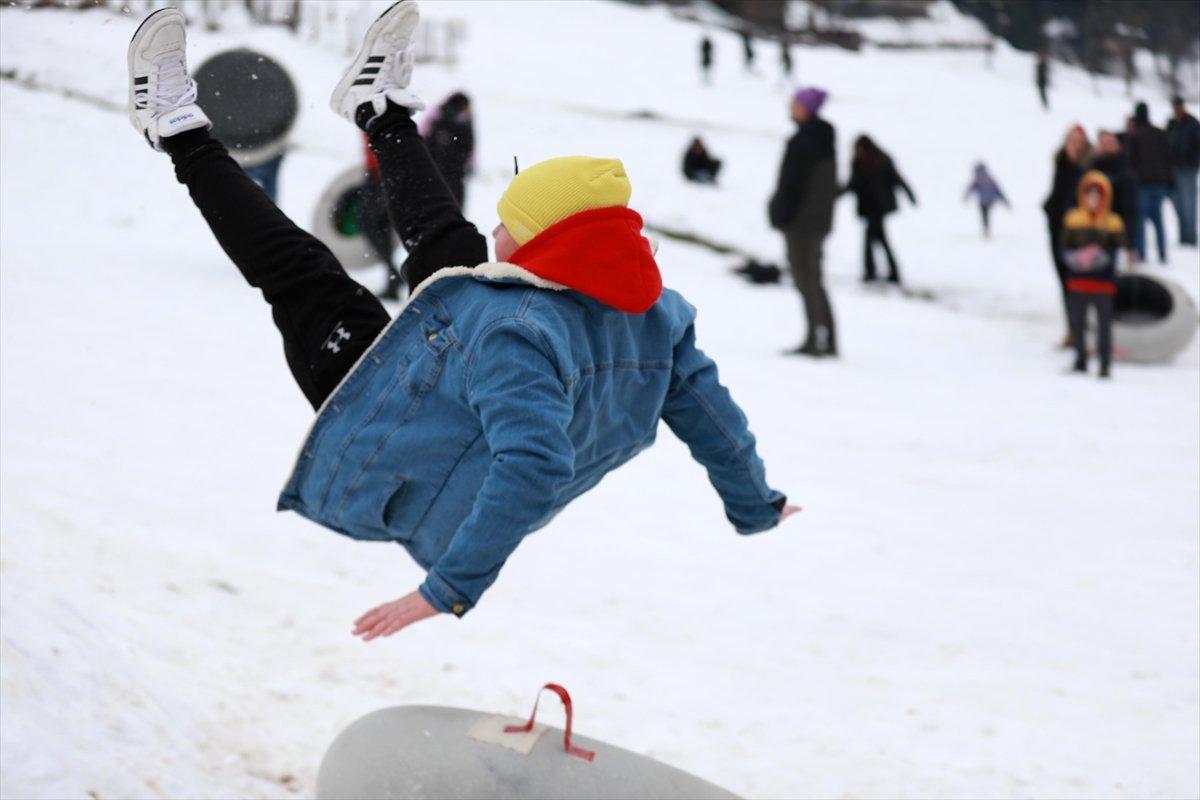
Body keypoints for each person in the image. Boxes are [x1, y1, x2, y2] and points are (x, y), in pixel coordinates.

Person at [126, 2, 798, 639]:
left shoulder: (516, 337)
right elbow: (714, 418)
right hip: (450, 391)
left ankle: (176, 127)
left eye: (515, 224)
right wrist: (754, 503)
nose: (500, 227)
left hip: (398, 445)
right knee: (453, 248)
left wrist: (443, 589)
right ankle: (377, 107)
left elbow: (534, 462)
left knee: (298, 268)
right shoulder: (654, 315)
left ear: (549, 247)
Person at [769, 87, 838, 357]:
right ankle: (825, 338)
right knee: (812, 280)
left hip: (803, 225)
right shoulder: (821, 139)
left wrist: (782, 213)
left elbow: (793, 187)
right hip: (813, 223)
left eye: (796, 103)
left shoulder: (806, 142)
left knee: (807, 280)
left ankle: (816, 340)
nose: (791, 107)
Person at [1060, 171, 1125, 379]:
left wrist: (1103, 259)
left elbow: (1118, 248)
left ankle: (1105, 363)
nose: (1094, 200)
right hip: (1078, 281)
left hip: (1103, 283)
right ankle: (1081, 359)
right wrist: (1073, 259)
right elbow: (1063, 246)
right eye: (1090, 195)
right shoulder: (1073, 219)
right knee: (1078, 322)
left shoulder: (1113, 221)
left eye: (1098, 196)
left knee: (1104, 326)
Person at [1042, 125, 1093, 346]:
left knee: (1081, 283)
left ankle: (1085, 331)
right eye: (1070, 139)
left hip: (1080, 233)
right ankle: (1073, 330)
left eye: (1078, 140)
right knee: (1064, 281)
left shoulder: (1089, 167)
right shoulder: (1061, 162)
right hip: (1057, 229)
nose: (1073, 144)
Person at [842, 135, 917, 284]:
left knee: (873, 240)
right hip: (868, 208)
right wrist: (833, 195)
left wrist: (910, 195)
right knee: (878, 240)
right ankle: (883, 272)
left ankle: (874, 272)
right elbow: (852, 184)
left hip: (879, 208)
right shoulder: (858, 163)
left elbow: (897, 179)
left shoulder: (881, 160)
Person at [1126, 101, 1173, 263]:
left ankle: (1142, 253)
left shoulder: (1135, 135)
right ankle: (1162, 253)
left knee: (1140, 221)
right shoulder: (1160, 133)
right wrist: (1169, 180)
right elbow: (1169, 158)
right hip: (1159, 183)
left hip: (1142, 184)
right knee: (1158, 220)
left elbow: (1130, 161)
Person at [359, 134, 404, 300]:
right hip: (378, 173)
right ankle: (392, 278)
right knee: (381, 226)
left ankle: (393, 274)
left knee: (369, 224)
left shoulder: (376, 113)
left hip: (382, 175)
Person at [1092, 130, 1139, 265]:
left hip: (1112, 232)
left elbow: (1130, 211)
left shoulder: (1125, 172)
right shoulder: (1090, 168)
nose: (1105, 146)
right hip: (1089, 233)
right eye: (1102, 143)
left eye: (1109, 143)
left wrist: (1130, 244)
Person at [421, 91, 474, 208]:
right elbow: (424, 141)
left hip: (455, 177)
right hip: (436, 176)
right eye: (465, 108)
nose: (468, 111)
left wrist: (470, 164)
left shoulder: (465, 123)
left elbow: (470, 147)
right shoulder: (439, 120)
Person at [1166, 95, 1200, 246]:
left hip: (1188, 170)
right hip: (1173, 169)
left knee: (1189, 205)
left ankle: (1190, 238)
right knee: (1177, 204)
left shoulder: (1192, 123)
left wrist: (1193, 162)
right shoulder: (1172, 124)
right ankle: (1182, 236)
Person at [963, 162, 1009, 238]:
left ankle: (986, 230)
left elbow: (971, 189)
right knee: (987, 215)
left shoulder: (978, 180)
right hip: (990, 201)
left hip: (982, 201)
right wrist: (1005, 201)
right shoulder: (990, 179)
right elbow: (998, 191)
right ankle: (987, 230)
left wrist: (966, 197)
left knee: (984, 215)